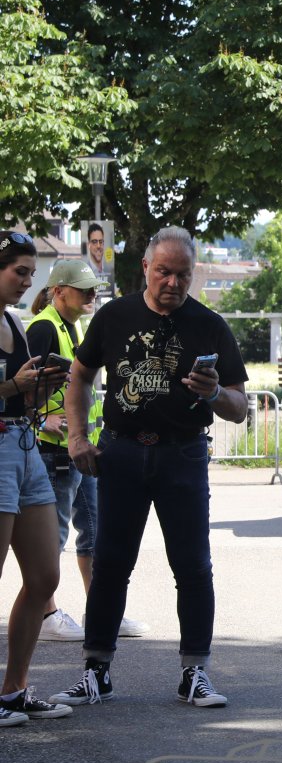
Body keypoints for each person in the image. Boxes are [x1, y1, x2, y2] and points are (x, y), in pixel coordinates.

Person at [49, 227, 249, 711]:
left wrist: (213, 393)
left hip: (183, 454)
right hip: (120, 453)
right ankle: (96, 671)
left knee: (193, 566)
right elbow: (80, 376)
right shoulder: (114, 316)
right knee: (110, 563)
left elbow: (240, 407)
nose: (172, 283)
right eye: (163, 272)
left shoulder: (210, 324)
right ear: (145, 268)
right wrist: (77, 437)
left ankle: (195, 673)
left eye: (182, 274)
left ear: (192, 274)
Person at [26, 259, 148, 643]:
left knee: (95, 533)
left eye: (93, 287)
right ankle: (47, 614)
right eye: (83, 288)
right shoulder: (44, 327)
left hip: (81, 450)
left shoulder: (72, 325)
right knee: (53, 537)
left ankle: (102, 610)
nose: (92, 294)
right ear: (59, 291)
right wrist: (40, 421)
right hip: (55, 453)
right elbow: (22, 385)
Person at [0, 232, 74, 725]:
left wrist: (41, 389)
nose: (29, 282)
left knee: (45, 576)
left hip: (25, 446)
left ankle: (14, 692)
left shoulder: (14, 322)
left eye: (31, 273)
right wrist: (14, 384)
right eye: (19, 272)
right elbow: (10, 389)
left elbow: (23, 400)